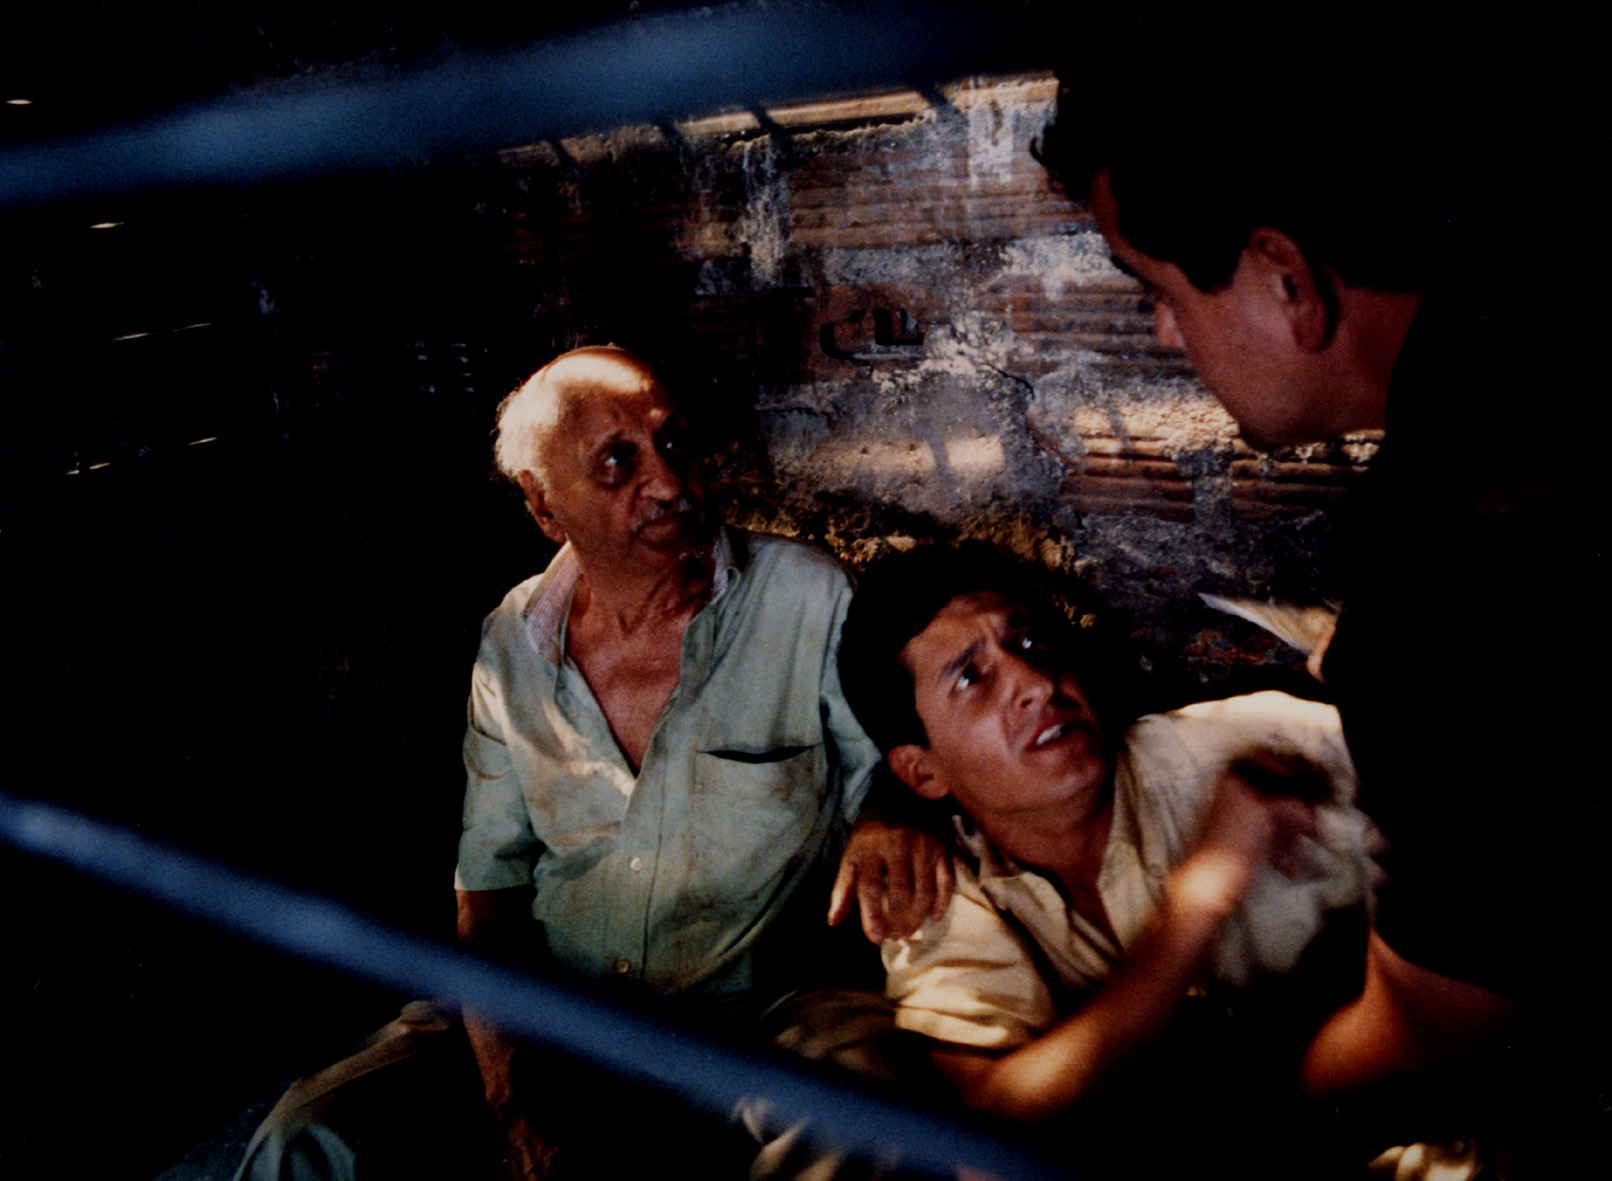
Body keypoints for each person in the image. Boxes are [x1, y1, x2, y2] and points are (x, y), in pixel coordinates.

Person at [1036, 36, 1605, 1170]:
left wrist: (1229, 1121)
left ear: (1285, 278)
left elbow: (1444, 1033)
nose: (1162, 332)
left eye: (1158, 291)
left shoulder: (1451, 559)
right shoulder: (1556, 333)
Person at [238, 346, 949, 1181]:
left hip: (762, 1009)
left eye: (673, 443)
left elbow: (899, 763)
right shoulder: (513, 641)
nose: (669, 482)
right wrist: (509, 1084)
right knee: (306, 1134)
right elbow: (489, 891)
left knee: (870, 1111)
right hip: (560, 1003)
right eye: (619, 462)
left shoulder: (809, 595)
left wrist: (889, 813)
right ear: (544, 504)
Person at [838, 543, 1378, 1175]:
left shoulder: (1249, 750)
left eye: (1032, 643)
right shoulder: (939, 890)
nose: (1037, 684)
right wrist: (1200, 896)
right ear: (922, 772)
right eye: (971, 678)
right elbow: (988, 1111)